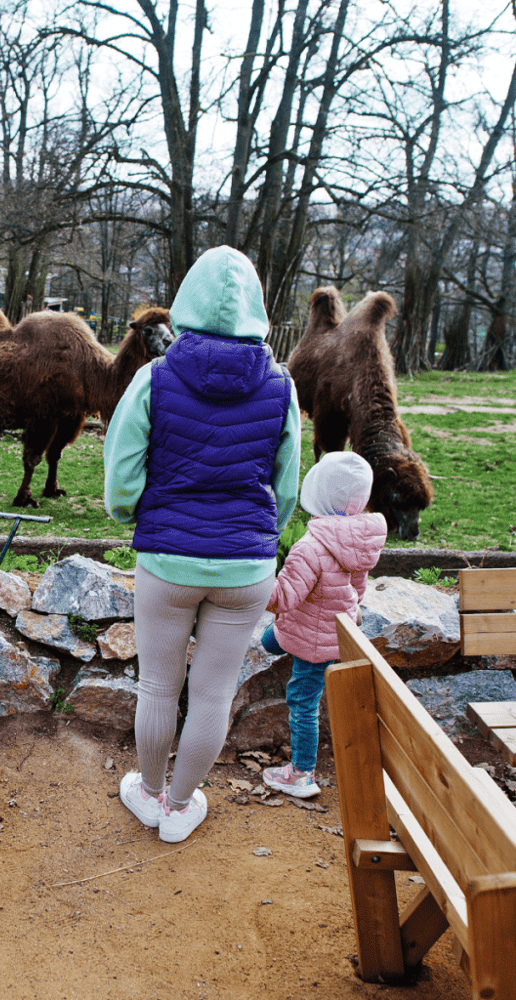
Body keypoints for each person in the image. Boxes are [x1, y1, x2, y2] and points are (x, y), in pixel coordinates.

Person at [104, 246, 301, 843]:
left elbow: (121, 474)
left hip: (167, 556)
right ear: (258, 311)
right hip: (247, 564)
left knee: (159, 686)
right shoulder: (281, 386)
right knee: (213, 691)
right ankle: (182, 807)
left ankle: (148, 791)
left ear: (186, 300)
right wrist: (266, 534)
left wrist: (127, 512)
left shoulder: (154, 377)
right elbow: (286, 485)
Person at [261, 451, 386, 798]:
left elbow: (283, 598)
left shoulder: (310, 548)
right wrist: (353, 608)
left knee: (303, 701)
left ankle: (301, 773)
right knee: (271, 640)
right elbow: (357, 586)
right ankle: (273, 641)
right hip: (331, 628)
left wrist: (255, 580)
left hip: (315, 644)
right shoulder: (355, 542)